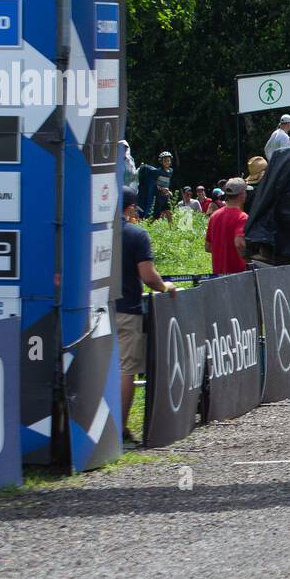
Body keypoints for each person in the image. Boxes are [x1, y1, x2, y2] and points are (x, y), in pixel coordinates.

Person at [116, 188, 177, 440]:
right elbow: (148, 276)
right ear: (130, 208)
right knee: (125, 369)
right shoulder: (136, 235)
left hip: (93, 311)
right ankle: (119, 429)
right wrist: (166, 286)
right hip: (126, 310)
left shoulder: (91, 231)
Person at [206, 177, 249, 274]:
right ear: (242, 194)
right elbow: (240, 244)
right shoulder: (242, 217)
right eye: (245, 192)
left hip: (218, 276)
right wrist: (249, 261)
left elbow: (208, 247)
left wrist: (224, 251)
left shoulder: (214, 216)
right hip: (238, 275)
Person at [136, 151, 175, 219]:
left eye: (168, 160)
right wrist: (161, 189)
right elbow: (154, 183)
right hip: (158, 194)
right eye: (165, 161)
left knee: (169, 211)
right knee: (155, 214)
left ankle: (172, 228)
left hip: (165, 194)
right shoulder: (158, 171)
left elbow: (167, 182)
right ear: (161, 162)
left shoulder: (171, 171)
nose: (167, 162)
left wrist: (168, 191)